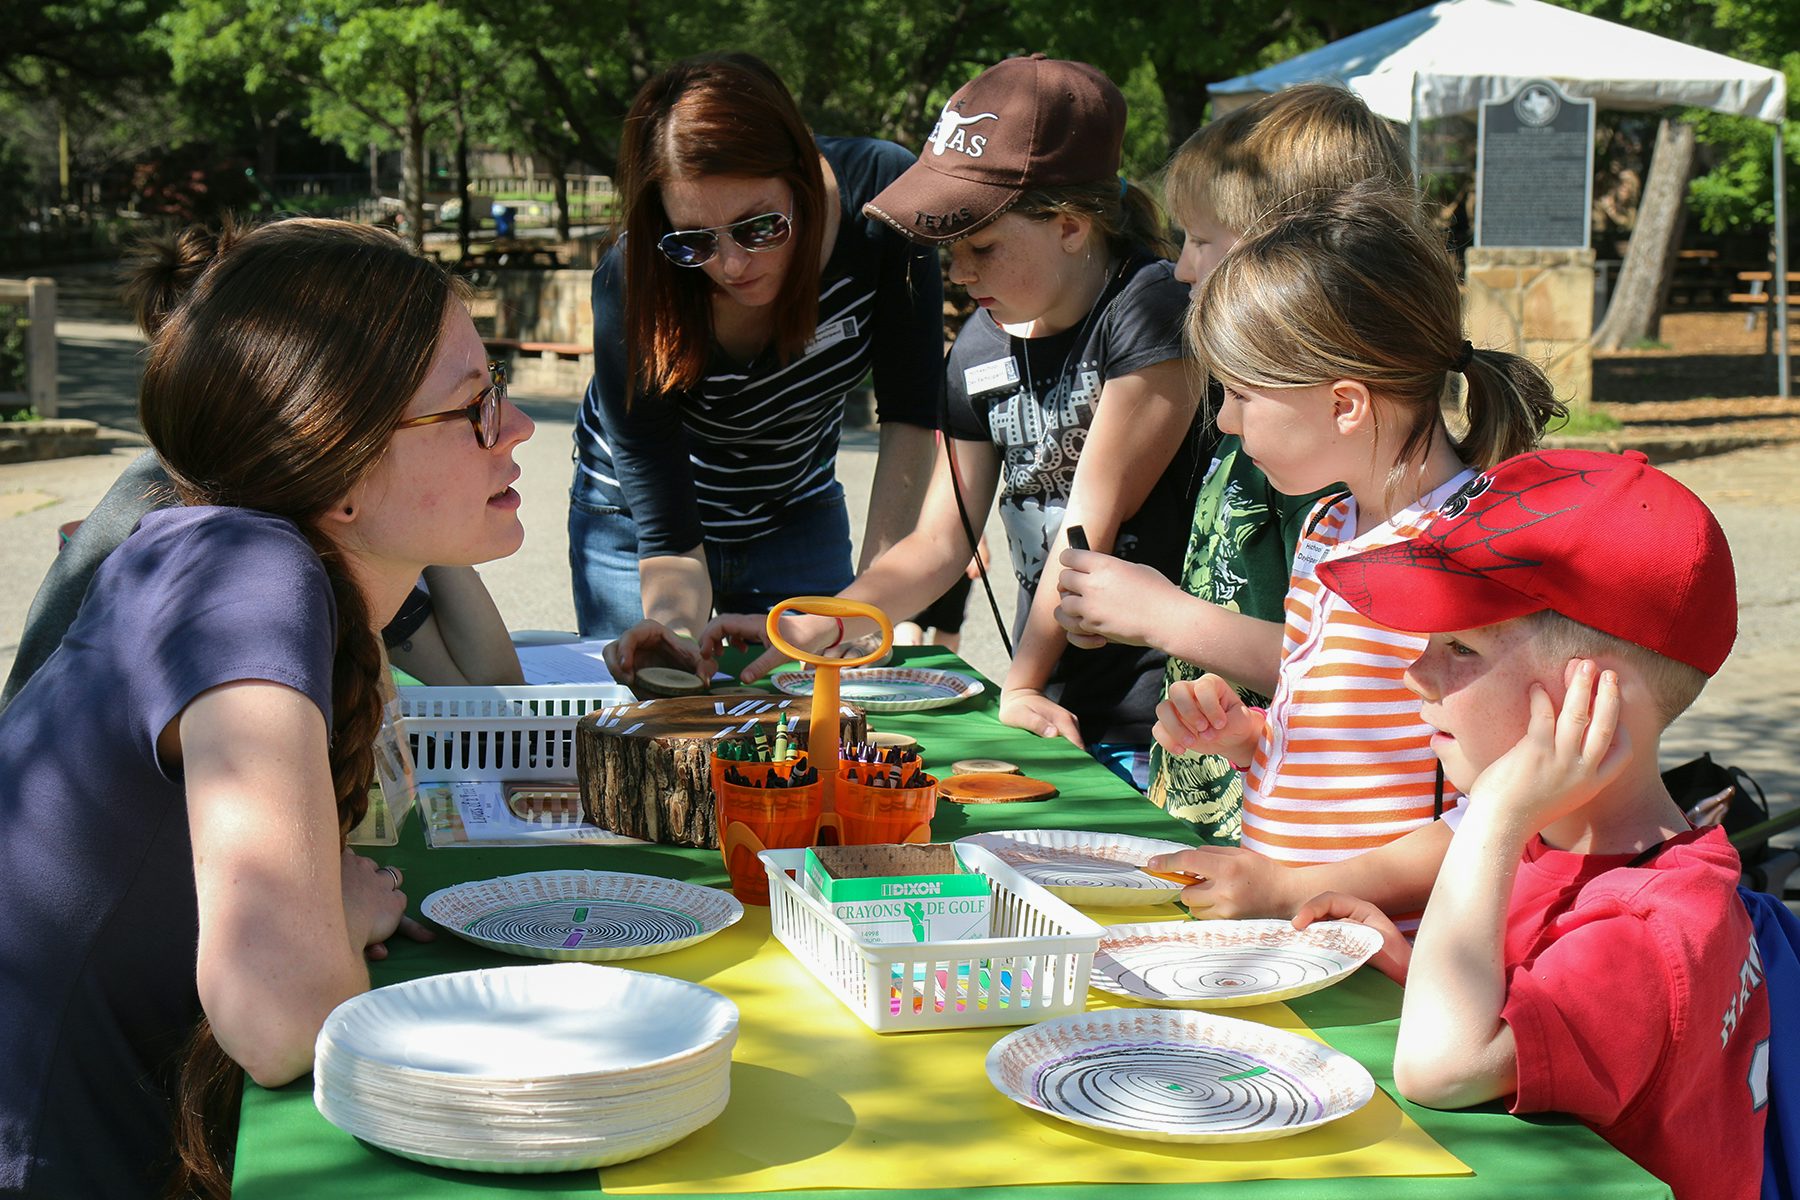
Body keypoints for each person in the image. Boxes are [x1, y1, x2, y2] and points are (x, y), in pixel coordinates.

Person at [0, 218, 535, 1198]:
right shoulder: (244, 572)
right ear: (338, 465)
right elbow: (283, 1020)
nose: (520, 426)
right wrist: (325, 906)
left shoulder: (240, 556)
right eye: (473, 406)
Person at [704, 54, 1204, 786]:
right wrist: (821, 625)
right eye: (948, 250)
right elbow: (939, 541)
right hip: (1061, 701)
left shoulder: (1150, 308)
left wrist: (1023, 682)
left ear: (1069, 224)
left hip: (1167, 716)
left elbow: (1086, 530)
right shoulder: (979, 343)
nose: (959, 274)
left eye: (981, 247)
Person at [1288, 448, 1767, 1200]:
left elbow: (1441, 1068)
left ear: (1593, 701)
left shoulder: (1648, 929)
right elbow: (1538, 1014)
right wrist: (1420, 968)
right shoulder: (1575, 852)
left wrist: (1499, 813)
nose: (1415, 674)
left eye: (1458, 647)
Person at [1145, 182, 1562, 918]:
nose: (1228, 422)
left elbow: (1502, 810)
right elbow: (1355, 733)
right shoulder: (1329, 526)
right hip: (1309, 942)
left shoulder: (1466, 556)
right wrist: (1250, 737)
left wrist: (1290, 888)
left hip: (1394, 964)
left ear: (1345, 404)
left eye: (1241, 395)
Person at [1052, 83, 1415, 840]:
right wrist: (1131, 613)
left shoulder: (1332, 454)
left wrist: (1164, 617)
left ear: (1290, 255)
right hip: (1216, 812)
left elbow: (1363, 668)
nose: (1182, 270)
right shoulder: (1264, 419)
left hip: (1303, 843)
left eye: (1203, 240)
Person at [572, 51, 943, 664]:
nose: (732, 265)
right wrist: (676, 637)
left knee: (805, 715)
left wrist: (862, 611)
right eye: (694, 240)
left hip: (793, 500)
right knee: (660, 708)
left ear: (800, 173)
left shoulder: (883, 201)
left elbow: (910, 412)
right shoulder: (631, 281)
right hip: (636, 516)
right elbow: (665, 527)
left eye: (759, 226)